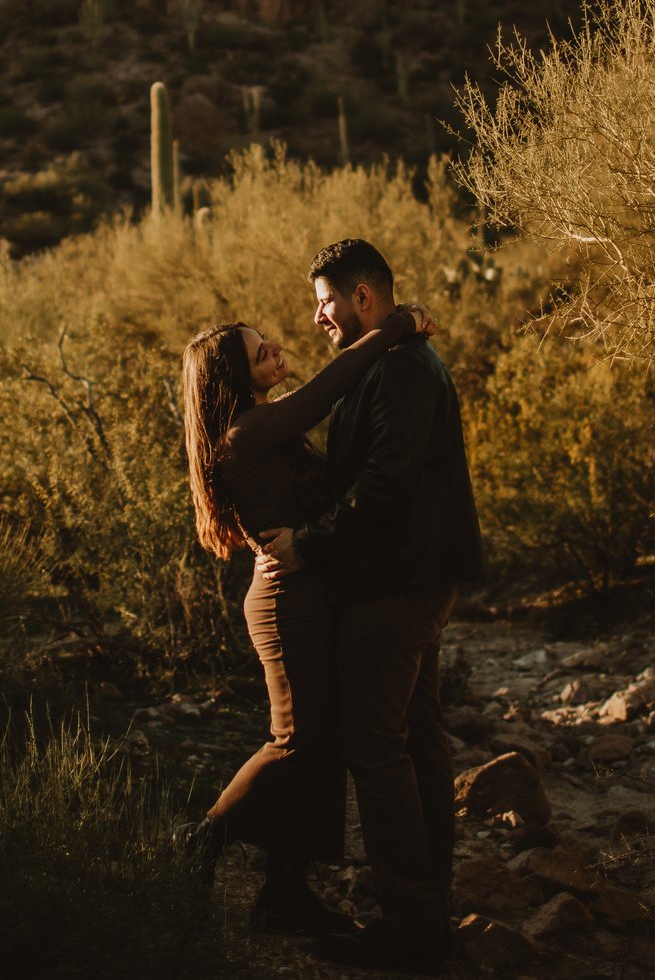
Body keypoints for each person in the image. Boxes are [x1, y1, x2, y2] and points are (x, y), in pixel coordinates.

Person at [259, 237, 484, 976]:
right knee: (417, 736)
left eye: (326, 302)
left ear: (364, 297)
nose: (319, 317)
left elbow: (383, 489)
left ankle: (413, 923)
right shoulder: (386, 364)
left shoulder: (402, 371)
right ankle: (427, 903)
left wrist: (309, 544)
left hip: (399, 582)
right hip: (411, 576)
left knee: (376, 746)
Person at [181, 297, 436, 937]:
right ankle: (196, 845)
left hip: (307, 594)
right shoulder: (247, 431)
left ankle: (285, 893)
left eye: (265, 339)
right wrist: (395, 327)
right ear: (232, 376)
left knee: (319, 749)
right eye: (256, 349)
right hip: (285, 604)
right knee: (294, 742)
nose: (272, 348)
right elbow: (330, 387)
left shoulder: (263, 426)